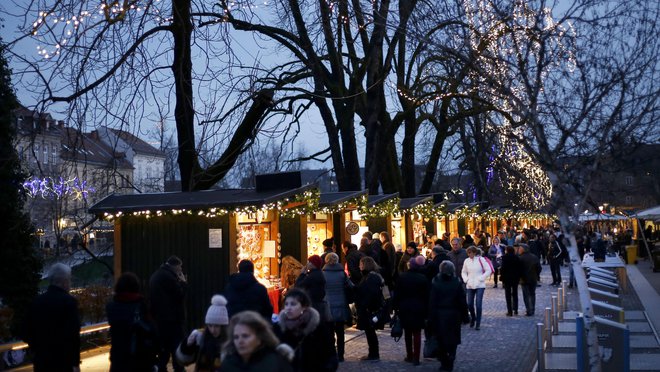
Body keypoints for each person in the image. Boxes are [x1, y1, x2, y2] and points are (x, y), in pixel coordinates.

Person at [24, 263, 81, 372]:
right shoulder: (69, 302)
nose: (70, 284)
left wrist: (36, 348)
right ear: (64, 282)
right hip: (63, 362)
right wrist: (75, 363)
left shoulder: (37, 301)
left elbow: (26, 331)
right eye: (69, 280)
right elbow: (73, 335)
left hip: (42, 361)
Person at [275, 288, 338, 371]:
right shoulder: (279, 328)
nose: (288, 308)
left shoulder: (318, 327)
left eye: (293, 304)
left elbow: (331, 356)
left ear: (304, 307)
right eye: (286, 304)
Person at [106, 272, 157, 371]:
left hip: (118, 359)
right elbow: (152, 331)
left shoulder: (111, 307)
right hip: (140, 359)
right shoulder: (142, 306)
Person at [428, 261, 469, 372]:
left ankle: (444, 361)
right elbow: (462, 301)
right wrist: (465, 316)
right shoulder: (456, 282)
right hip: (453, 315)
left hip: (439, 315)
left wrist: (430, 317)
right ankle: (450, 358)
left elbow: (432, 301)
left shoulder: (435, 282)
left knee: (440, 339)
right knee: (453, 339)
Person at [149, 255, 187, 372]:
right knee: (176, 345)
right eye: (180, 267)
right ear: (175, 266)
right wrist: (184, 283)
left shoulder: (157, 275)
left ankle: (161, 367)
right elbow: (179, 295)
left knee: (164, 346)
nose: (181, 270)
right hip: (172, 318)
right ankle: (178, 368)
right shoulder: (169, 277)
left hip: (159, 318)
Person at [220, 311, 293, 372]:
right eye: (236, 337)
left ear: (259, 337)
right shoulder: (228, 364)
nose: (240, 341)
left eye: (245, 336)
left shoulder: (276, 362)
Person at [392, 256, 429, 366]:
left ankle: (409, 355)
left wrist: (395, 307)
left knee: (407, 332)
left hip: (405, 307)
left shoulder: (402, 277)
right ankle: (416, 358)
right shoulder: (422, 278)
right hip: (419, 308)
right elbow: (427, 296)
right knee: (417, 333)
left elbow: (397, 294)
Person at [176, 295, 229, 371]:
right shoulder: (201, 338)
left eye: (217, 326)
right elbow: (183, 361)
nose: (213, 330)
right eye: (210, 325)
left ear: (223, 326)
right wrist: (188, 345)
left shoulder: (231, 342)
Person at [322, 253, 351, 362]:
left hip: (328, 305)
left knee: (329, 333)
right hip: (341, 304)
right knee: (340, 332)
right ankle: (341, 355)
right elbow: (350, 286)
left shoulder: (323, 273)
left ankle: (331, 354)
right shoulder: (342, 273)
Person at [355, 256, 384, 361]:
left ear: (365, 265)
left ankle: (374, 354)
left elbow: (370, 294)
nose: (359, 266)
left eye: (360, 264)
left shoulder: (370, 277)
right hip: (371, 308)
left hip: (370, 309)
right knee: (370, 331)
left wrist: (364, 305)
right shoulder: (373, 275)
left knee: (370, 331)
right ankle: (373, 353)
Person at [461, 246, 492, 330]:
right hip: (470, 285)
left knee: (478, 304)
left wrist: (481, 278)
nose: (470, 254)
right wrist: (466, 279)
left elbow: (488, 270)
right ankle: (473, 318)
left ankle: (478, 322)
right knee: (470, 304)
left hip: (480, 285)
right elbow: (463, 271)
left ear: (475, 253)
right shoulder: (466, 261)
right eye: (468, 253)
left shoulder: (481, 260)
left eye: (471, 252)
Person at [295, 255, 330, 322]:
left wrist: (302, 274)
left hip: (313, 304)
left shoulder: (312, 276)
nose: (307, 263)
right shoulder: (318, 273)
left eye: (309, 261)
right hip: (317, 304)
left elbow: (298, 286)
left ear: (313, 264)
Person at [518, 243, 542, 316]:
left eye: (519, 249)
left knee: (526, 295)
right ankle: (532, 309)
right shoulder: (534, 257)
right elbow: (539, 268)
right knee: (532, 294)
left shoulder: (520, 258)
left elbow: (518, 270)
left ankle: (528, 310)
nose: (518, 250)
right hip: (533, 278)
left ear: (523, 249)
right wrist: (536, 275)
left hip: (524, 279)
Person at [499, 246, 522, 316]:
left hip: (507, 278)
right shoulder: (517, 257)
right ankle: (516, 310)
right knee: (515, 294)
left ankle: (510, 311)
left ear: (507, 251)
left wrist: (501, 277)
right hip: (515, 278)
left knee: (508, 295)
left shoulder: (504, 258)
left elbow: (503, 268)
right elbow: (519, 268)